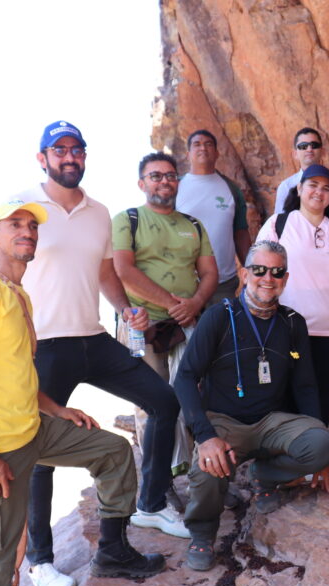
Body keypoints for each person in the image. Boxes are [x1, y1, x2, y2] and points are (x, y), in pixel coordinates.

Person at [0, 201, 165, 586]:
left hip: (31, 425)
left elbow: (16, 372)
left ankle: (112, 551)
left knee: (110, 451)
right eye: (14, 226)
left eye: (31, 226)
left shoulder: (18, 294)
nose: (26, 232)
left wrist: (56, 408)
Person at [0, 121, 182, 586]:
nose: (70, 157)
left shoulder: (99, 212)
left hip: (92, 337)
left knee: (164, 401)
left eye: (77, 150)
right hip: (43, 345)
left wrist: (122, 309)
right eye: (60, 150)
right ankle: (41, 561)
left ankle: (150, 502)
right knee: (40, 451)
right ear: (43, 157)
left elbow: (106, 271)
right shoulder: (22, 207)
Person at [174, 241, 329, 571]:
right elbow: (184, 378)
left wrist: (319, 452)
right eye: (260, 270)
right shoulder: (218, 317)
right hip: (224, 422)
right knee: (208, 465)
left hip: (271, 421)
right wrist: (206, 435)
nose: (268, 278)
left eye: (277, 271)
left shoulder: (292, 322)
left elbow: (306, 385)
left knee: (322, 445)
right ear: (244, 274)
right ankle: (202, 533)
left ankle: (264, 476)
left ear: (286, 277)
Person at [112, 152, 218, 480]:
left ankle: (198, 474)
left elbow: (210, 273)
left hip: (186, 323)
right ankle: (159, 482)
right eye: (156, 176)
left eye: (170, 175)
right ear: (142, 183)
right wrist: (175, 303)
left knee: (193, 395)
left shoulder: (193, 225)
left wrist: (195, 303)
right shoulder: (127, 219)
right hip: (143, 325)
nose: (164, 181)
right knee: (150, 404)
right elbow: (123, 270)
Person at [255, 164, 329, 425]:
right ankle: (285, 460)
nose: (319, 192)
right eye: (313, 185)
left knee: (319, 398)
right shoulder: (279, 224)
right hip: (287, 328)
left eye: (326, 188)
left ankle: (316, 462)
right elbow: (258, 272)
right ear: (299, 188)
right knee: (285, 396)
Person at [177, 129, 253, 305]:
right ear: (188, 154)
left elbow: (240, 233)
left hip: (223, 283)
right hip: (184, 283)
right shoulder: (176, 187)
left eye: (208, 144)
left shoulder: (231, 189)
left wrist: (251, 269)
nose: (203, 148)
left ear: (217, 153)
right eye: (197, 144)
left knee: (224, 331)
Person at [274, 127, 324, 214]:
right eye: (303, 146)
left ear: (322, 151)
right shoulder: (286, 186)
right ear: (295, 154)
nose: (309, 149)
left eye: (314, 145)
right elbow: (279, 221)